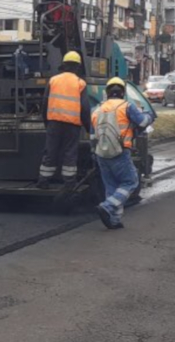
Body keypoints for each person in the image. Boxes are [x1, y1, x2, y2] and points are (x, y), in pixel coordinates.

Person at [91, 77, 154, 230]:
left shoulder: (97, 110)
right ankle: (108, 206)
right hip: (120, 151)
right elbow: (143, 122)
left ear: (107, 92)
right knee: (130, 182)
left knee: (111, 186)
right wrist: (148, 114)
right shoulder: (126, 106)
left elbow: (93, 136)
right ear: (123, 92)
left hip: (101, 153)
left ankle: (114, 220)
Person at [38, 51, 91, 189]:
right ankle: (69, 183)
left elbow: (45, 103)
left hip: (54, 123)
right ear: (78, 67)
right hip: (72, 125)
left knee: (50, 151)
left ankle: (43, 181)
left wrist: (46, 122)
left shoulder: (53, 80)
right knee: (69, 153)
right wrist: (88, 127)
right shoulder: (80, 83)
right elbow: (84, 108)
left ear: (64, 65)